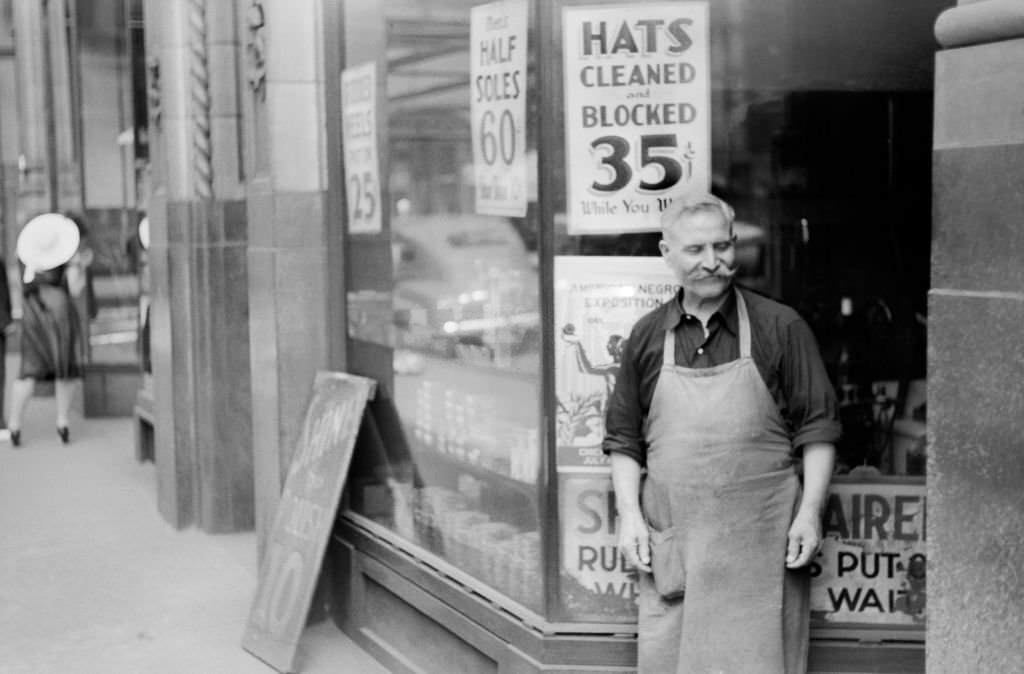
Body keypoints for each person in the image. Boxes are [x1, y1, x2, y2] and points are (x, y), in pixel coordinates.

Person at [603, 193, 840, 673]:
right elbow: (624, 439)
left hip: (760, 547)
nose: (712, 262)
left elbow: (818, 429)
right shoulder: (647, 336)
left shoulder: (782, 328)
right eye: (695, 251)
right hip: (679, 549)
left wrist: (811, 512)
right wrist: (629, 515)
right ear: (665, 253)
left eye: (722, 246)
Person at [7, 212, 87, 447]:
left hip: (32, 313)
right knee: (64, 369)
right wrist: (80, 268)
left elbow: (16, 284)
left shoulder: (24, 260)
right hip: (59, 313)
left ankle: (14, 423)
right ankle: (62, 422)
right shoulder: (68, 258)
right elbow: (75, 289)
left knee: (29, 370)